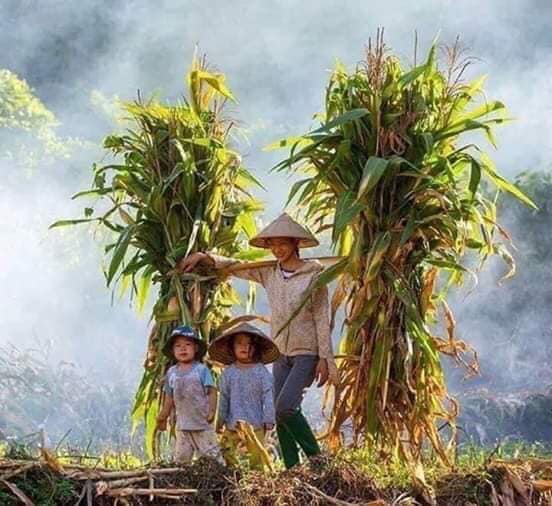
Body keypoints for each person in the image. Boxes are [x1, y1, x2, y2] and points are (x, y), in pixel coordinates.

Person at [179, 213, 339, 468]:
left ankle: (318, 461)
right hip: (282, 352)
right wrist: (204, 257)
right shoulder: (269, 272)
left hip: (307, 352)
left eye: (283, 243)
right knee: (277, 410)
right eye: (273, 244)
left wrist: (325, 358)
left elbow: (322, 318)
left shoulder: (314, 276)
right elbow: (237, 265)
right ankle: (292, 467)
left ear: (296, 243)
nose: (277, 249)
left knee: (285, 407)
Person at [209, 322, 279, 470]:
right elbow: (224, 399)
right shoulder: (228, 373)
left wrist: (269, 418)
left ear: (256, 348)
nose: (244, 347)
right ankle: (233, 477)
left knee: (256, 460)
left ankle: (256, 481)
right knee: (227, 454)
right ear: (232, 347)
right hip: (232, 425)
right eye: (239, 343)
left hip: (255, 425)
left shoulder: (262, 372)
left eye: (249, 344)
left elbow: (268, 396)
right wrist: (220, 421)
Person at [156, 325, 220, 463]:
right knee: (182, 459)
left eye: (187, 344)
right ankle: (181, 475)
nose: (183, 348)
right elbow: (169, 397)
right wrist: (163, 416)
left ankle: (219, 475)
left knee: (211, 458)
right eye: (178, 346)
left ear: (195, 348)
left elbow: (212, 391)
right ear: (173, 350)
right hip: (183, 426)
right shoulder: (172, 373)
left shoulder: (201, 370)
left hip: (202, 424)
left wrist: (212, 411)